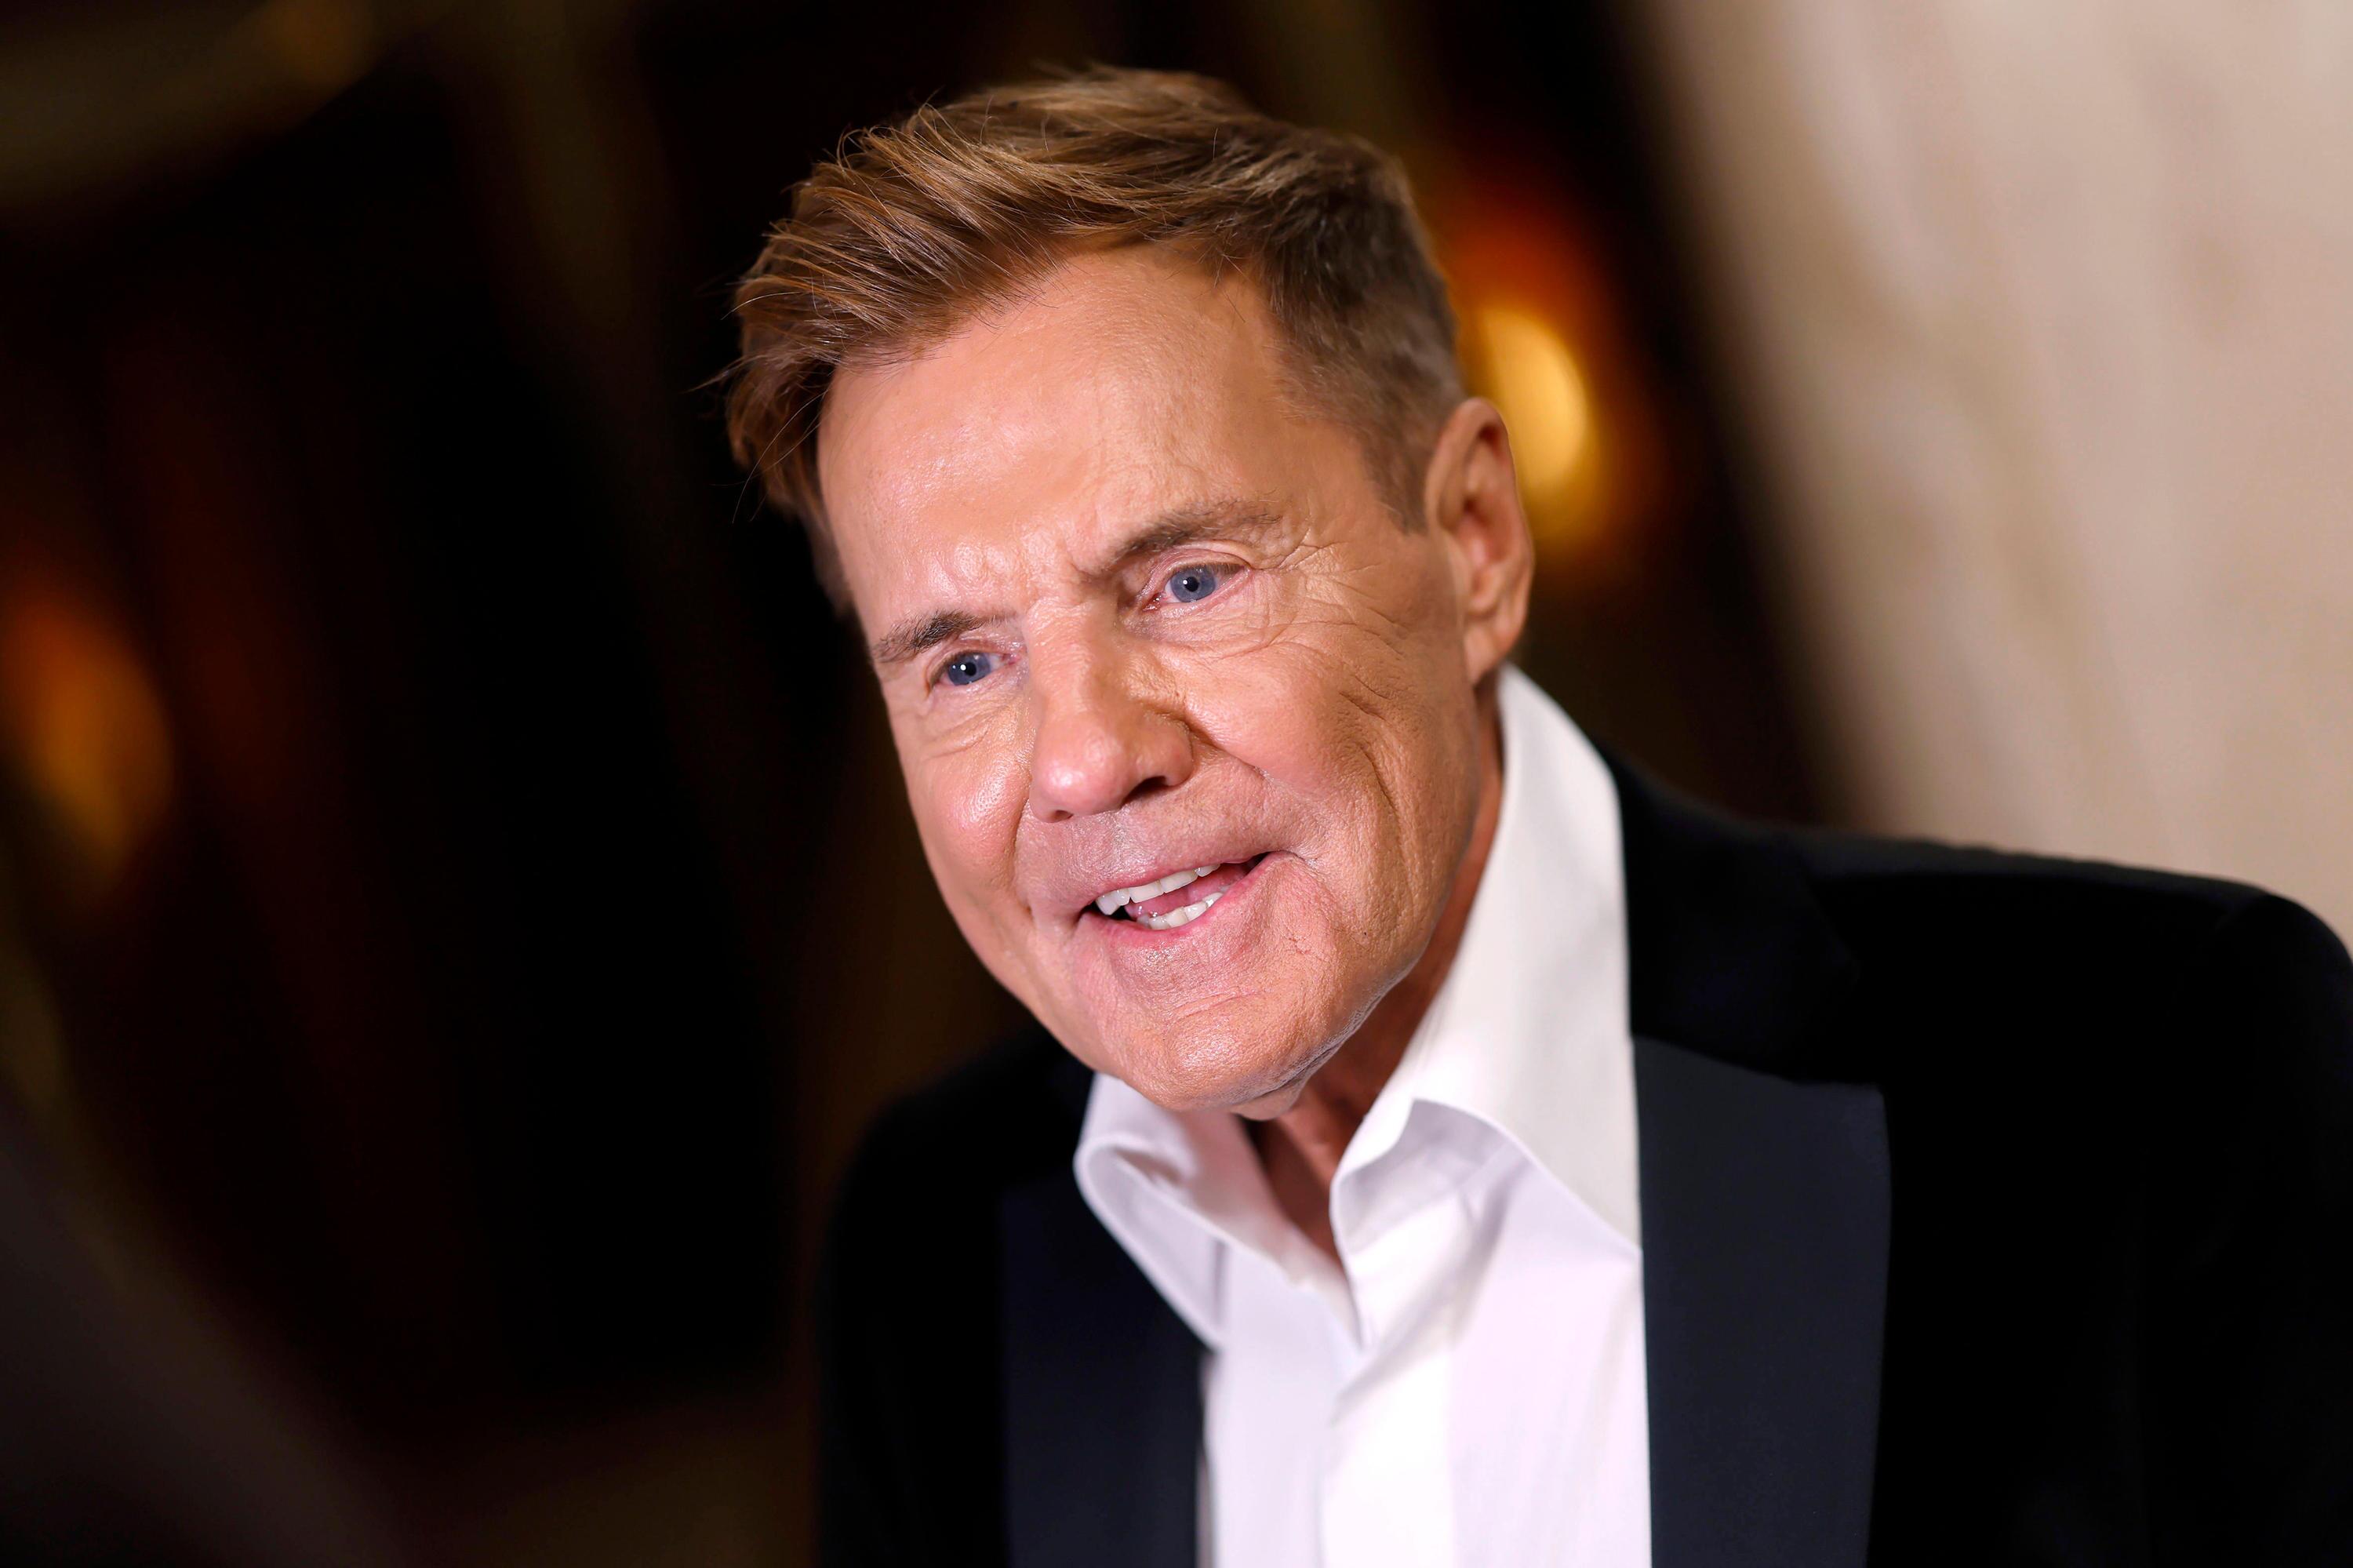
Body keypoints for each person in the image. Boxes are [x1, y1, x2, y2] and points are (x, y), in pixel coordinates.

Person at [724, 67, 2353, 1568]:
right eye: (965, 663)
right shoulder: (934, 1263)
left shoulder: (2158, 1070)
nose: (1086, 761)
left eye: (1189, 581)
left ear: (1478, 541)